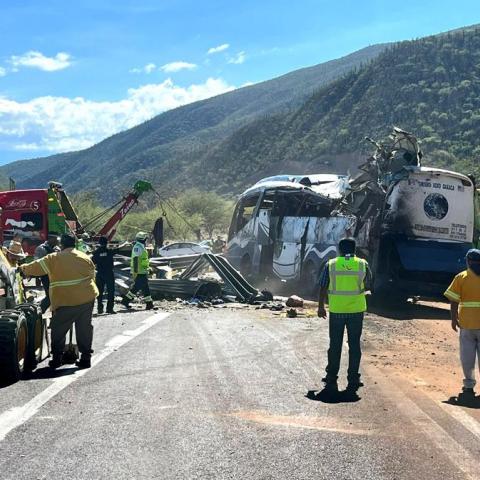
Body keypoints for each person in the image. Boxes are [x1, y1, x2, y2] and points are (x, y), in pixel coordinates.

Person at [20, 233, 98, 370]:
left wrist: (22, 268)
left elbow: (35, 267)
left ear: (61, 245)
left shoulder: (54, 258)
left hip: (65, 300)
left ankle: (57, 358)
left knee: (58, 329)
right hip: (87, 299)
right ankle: (86, 358)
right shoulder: (85, 257)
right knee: (84, 328)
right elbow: (92, 276)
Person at [317, 237, 370, 394]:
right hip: (356, 311)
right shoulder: (363, 264)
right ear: (355, 249)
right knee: (354, 345)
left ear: (339, 249)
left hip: (337, 310)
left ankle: (331, 377)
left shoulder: (331, 264)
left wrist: (321, 307)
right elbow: (369, 285)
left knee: (335, 345)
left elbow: (322, 287)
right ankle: (353, 378)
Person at [444, 249, 480, 396]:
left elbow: (453, 300)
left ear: (468, 261)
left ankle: (469, 387)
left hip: (467, 324)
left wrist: (453, 319)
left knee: (467, 358)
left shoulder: (462, 277)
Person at [92, 236, 128, 314]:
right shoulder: (109, 251)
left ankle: (100, 309)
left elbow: (92, 263)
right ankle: (109, 309)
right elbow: (118, 249)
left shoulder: (96, 252)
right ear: (107, 243)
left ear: (99, 243)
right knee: (111, 291)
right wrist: (125, 244)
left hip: (100, 274)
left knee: (99, 292)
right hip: (108, 273)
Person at [121, 231, 154, 310]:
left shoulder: (141, 246)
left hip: (142, 271)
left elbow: (143, 260)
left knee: (144, 287)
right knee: (138, 288)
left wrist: (148, 268)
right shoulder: (138, 247)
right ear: (143, 239)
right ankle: (126, 300)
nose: (146, 240)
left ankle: (149, 304)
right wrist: (135, 273)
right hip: (139, 272)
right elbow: (135, 260)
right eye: (146, 239)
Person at [34, 233, 59, 313]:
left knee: (56, 297)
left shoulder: (57, 248)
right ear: (51, 239)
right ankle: (38, 313)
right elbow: (37, 263)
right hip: (46, 276)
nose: (58, 241)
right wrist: (37, 277)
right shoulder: (41, 249)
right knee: (50, 296)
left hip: (57, 276)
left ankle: (54, 316)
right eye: (56, 239)